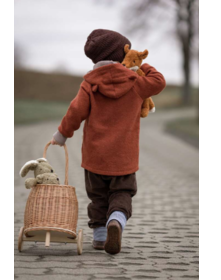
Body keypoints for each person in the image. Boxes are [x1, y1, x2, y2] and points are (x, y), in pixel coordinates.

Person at [51, 29, 166, 255]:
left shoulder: (90, 83)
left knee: (98, 197)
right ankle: (116, 220)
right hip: (124, 157)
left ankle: (101, 236)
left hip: (94, 157)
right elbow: (159, 81)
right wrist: (141, 65)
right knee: (122, 192)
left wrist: (62, 134)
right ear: (122, 54)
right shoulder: (135, 81)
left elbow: (75, 111)